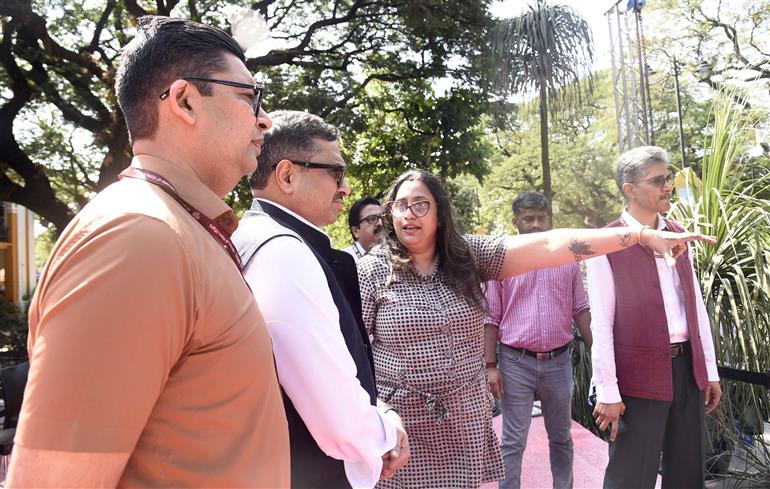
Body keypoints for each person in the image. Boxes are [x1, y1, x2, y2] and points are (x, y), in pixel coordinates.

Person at [6, 16, 290, 487]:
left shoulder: (177, 229)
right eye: (249, 96)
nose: (265, 119)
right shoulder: (138, 236)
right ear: (183, 100)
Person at [357, 169, 714, 489]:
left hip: (461, 426)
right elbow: (354, 358)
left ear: (440, 214)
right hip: (401, 428)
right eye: (400, 205)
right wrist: (381, 410)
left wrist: (638, 236)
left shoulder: (469, 258)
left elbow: (551, 245)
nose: (408, 214)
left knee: (561, 438)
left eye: (420, 205)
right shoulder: (371, 271)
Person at [232, 110, 409, 489]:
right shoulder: (283, 251)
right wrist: (386, 431)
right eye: (335, 173)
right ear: (287, 175)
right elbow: (338, 419)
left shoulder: (257, 236)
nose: (345, 188)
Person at [586, 146, 722, 488]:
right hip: (638, 377)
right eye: (658, 180)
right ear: (629, 188)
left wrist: (709, 370)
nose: (668, 187)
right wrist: (607, 390)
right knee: (631, 475)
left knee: (688, 474)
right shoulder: (606, 242)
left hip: (686, 371)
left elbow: (695, 307)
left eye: (669, 179)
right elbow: (600, 324)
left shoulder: (679, 231)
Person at [484, 191, 592, 489]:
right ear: (515, 221)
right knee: (513, 441)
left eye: (540, 218)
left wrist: (600, 351)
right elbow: (490, 317)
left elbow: (580, 308)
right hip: (515, 362)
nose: (534, 224)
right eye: (528, 218)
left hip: (559, 361)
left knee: (561, 438)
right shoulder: (501, 261)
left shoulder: (567, 258)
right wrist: (490, 365)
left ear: (549, 220)